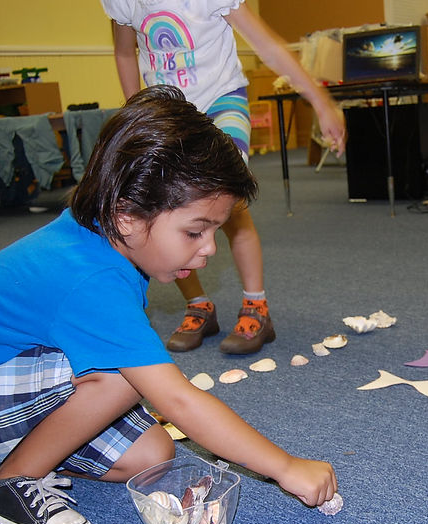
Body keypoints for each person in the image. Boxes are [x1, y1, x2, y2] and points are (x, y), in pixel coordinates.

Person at [0, 85, 337, 524]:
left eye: (215, 230)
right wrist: (284, 467)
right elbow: (179, 401)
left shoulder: (104, 232)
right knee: (121, 377)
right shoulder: (91, 278)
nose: (210, 249)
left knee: (154, 453)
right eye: (196, 231)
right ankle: (7, 483)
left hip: (8, 382)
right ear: (128, 215)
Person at [102, 0, 346, 355]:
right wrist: (136, 114)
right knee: (167, 210)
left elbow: (267, 45)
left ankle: (256, 305)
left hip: (222, 100)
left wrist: (320, 101)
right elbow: (125, 53)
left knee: (224, 200)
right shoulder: (123, 2)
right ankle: (199, 304)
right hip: (170, 113)